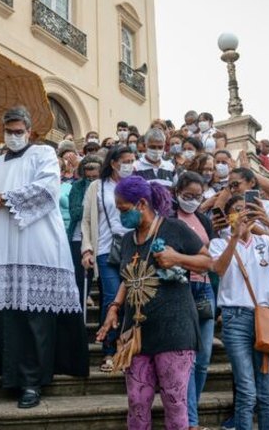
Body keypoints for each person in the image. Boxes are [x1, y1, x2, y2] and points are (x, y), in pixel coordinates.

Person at [0, 106, 88, 409]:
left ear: (29, 130)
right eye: (8, 131)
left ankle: (32, 381)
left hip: (37, 244)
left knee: (35, 317)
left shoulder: (44, 155)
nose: (13, 136)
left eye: (17, 131)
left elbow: (47, 190)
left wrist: (4, 199)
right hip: (2, 246)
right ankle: (10, 375)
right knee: (8, 316)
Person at [97, 176, 213, 430]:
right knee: (137, 404)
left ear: (141, 204)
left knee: (174, 404)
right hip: (137, 334)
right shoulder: (127, 239)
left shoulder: (174, 228)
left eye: (123, 209)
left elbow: (207, 262)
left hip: (175, 331)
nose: (120, 215)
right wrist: (114, 308)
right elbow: (129, 277)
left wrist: (177, 258)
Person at [210, 194, 269, 430]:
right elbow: (218, 269)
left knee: (267, 393)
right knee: (246, 389)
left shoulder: (264, 242)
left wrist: (268, 224)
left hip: (268, 316)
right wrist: (235, 236)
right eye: (237, 210)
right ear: (229, 216)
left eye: (247, 209)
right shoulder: (219, 243)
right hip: (235, 318)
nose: (243, 214)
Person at [81, 146, 136, 372]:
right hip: (105, 249)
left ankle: (129, 350)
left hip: (133, 249)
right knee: (112, 299)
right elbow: (85, 220)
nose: (130, 165)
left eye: (133, 160)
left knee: (133, 300)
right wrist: (87, 249)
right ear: (113, 163)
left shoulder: (134, 186)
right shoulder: (97, 187)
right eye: (126, 160)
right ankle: (109, 351)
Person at [172, 171, 216, 430]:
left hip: (206, 289)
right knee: (188, 356)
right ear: (178, 192)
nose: (193, 200)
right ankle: (191, 421)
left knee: (204, 356)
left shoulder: (203, 219)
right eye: (188, 196)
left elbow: (211, 256)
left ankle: (191, 409)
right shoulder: (169, 218)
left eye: (198, 197)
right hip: (182, 289)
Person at [67, 155, 102, 307]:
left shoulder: (105, 187)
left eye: (95, 177)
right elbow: (75, 212)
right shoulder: (77, 187)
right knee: (79, 279)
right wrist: (91, 208)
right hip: (78, 237)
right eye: (88, 178)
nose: (92, 180)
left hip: (100, 237)